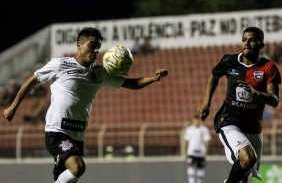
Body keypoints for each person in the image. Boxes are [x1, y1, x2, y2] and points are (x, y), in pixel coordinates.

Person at [3, 27, 168, 183]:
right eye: (92, 45)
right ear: (79, 45)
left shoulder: (99, 72)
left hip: (77, 135)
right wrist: (13, 107)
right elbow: (32, 80)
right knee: (78, 167)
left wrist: (153, 78)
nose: (96, 50)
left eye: (98, 47)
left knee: (66, 177)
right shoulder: (60, 64)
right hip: (58, 131)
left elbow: (131, 83)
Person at [198, 26, 281, 183]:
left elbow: (274, 100)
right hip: (229, 121)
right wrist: (206, 103)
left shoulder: (269, 67)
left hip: (253, 128)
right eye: (244, 40)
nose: (247, 43)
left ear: (261, 45)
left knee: (244, 178)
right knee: (248, 158)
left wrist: (255, 93)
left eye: (252, 40)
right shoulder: (229, 61)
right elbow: (214, 76)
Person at [183, 114, 211, 183]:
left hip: (201, 152)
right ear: (193, 120)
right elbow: (186, 141)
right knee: (190, 166)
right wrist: (185, 152)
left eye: (198, 119)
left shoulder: (204, 129)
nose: (196, 121)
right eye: (195, 120)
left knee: (200, 168)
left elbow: (207, 141)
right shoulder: (189, 129)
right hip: (191, 152)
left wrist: (206, 151)